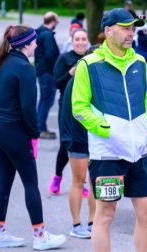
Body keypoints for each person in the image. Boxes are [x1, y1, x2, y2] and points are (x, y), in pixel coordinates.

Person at [72, 8, 147, 252]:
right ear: (108, 31)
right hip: (107, 153)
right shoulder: (89, 64)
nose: (130, 33)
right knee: (106, 214)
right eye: (125, 28)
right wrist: (107, 129)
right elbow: (79, 107)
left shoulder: (140, 63)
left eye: (133, 29)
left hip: (137, 152)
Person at [0, 25, 66, 250]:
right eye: (34, 41)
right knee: (30, 183)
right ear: (25, 44)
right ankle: (40, 235)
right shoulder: (24, 68)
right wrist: (34, 133)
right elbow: (28, 107)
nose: (36, 44)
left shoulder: (2, 63)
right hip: (13, 130)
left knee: (4, 180)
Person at [54, 28, 95, 238]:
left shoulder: (96, 80)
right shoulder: (75, 80)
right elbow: (68, 114)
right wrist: (69, 138)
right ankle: (77, 224)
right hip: (78, 138)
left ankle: (92, 222)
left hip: (96, 138)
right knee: (79, 180)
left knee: (95, 181)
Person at [50, 28, 90, 196]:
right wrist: (70, 73)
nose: (80, 42)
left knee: (86, 144)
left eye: (83, 39)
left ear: (87, 41)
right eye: (77, 39)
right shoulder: (64, 58)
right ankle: (58, 176)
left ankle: (83, 181)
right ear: (72, 41)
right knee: (66, 144)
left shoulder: (91, 59)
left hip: (86, 107)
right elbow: (56, 83)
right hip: (67, 108)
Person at [35, 11, 60, 139]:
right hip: (48, 73)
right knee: (47, 100)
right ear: (53, 21)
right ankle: (40, 128)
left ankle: (39, 126)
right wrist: (55, 71)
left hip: (41, 71)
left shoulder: (39, 32)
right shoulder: (47, 35)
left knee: (44, 100)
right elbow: (51, 55)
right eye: (57, 21)